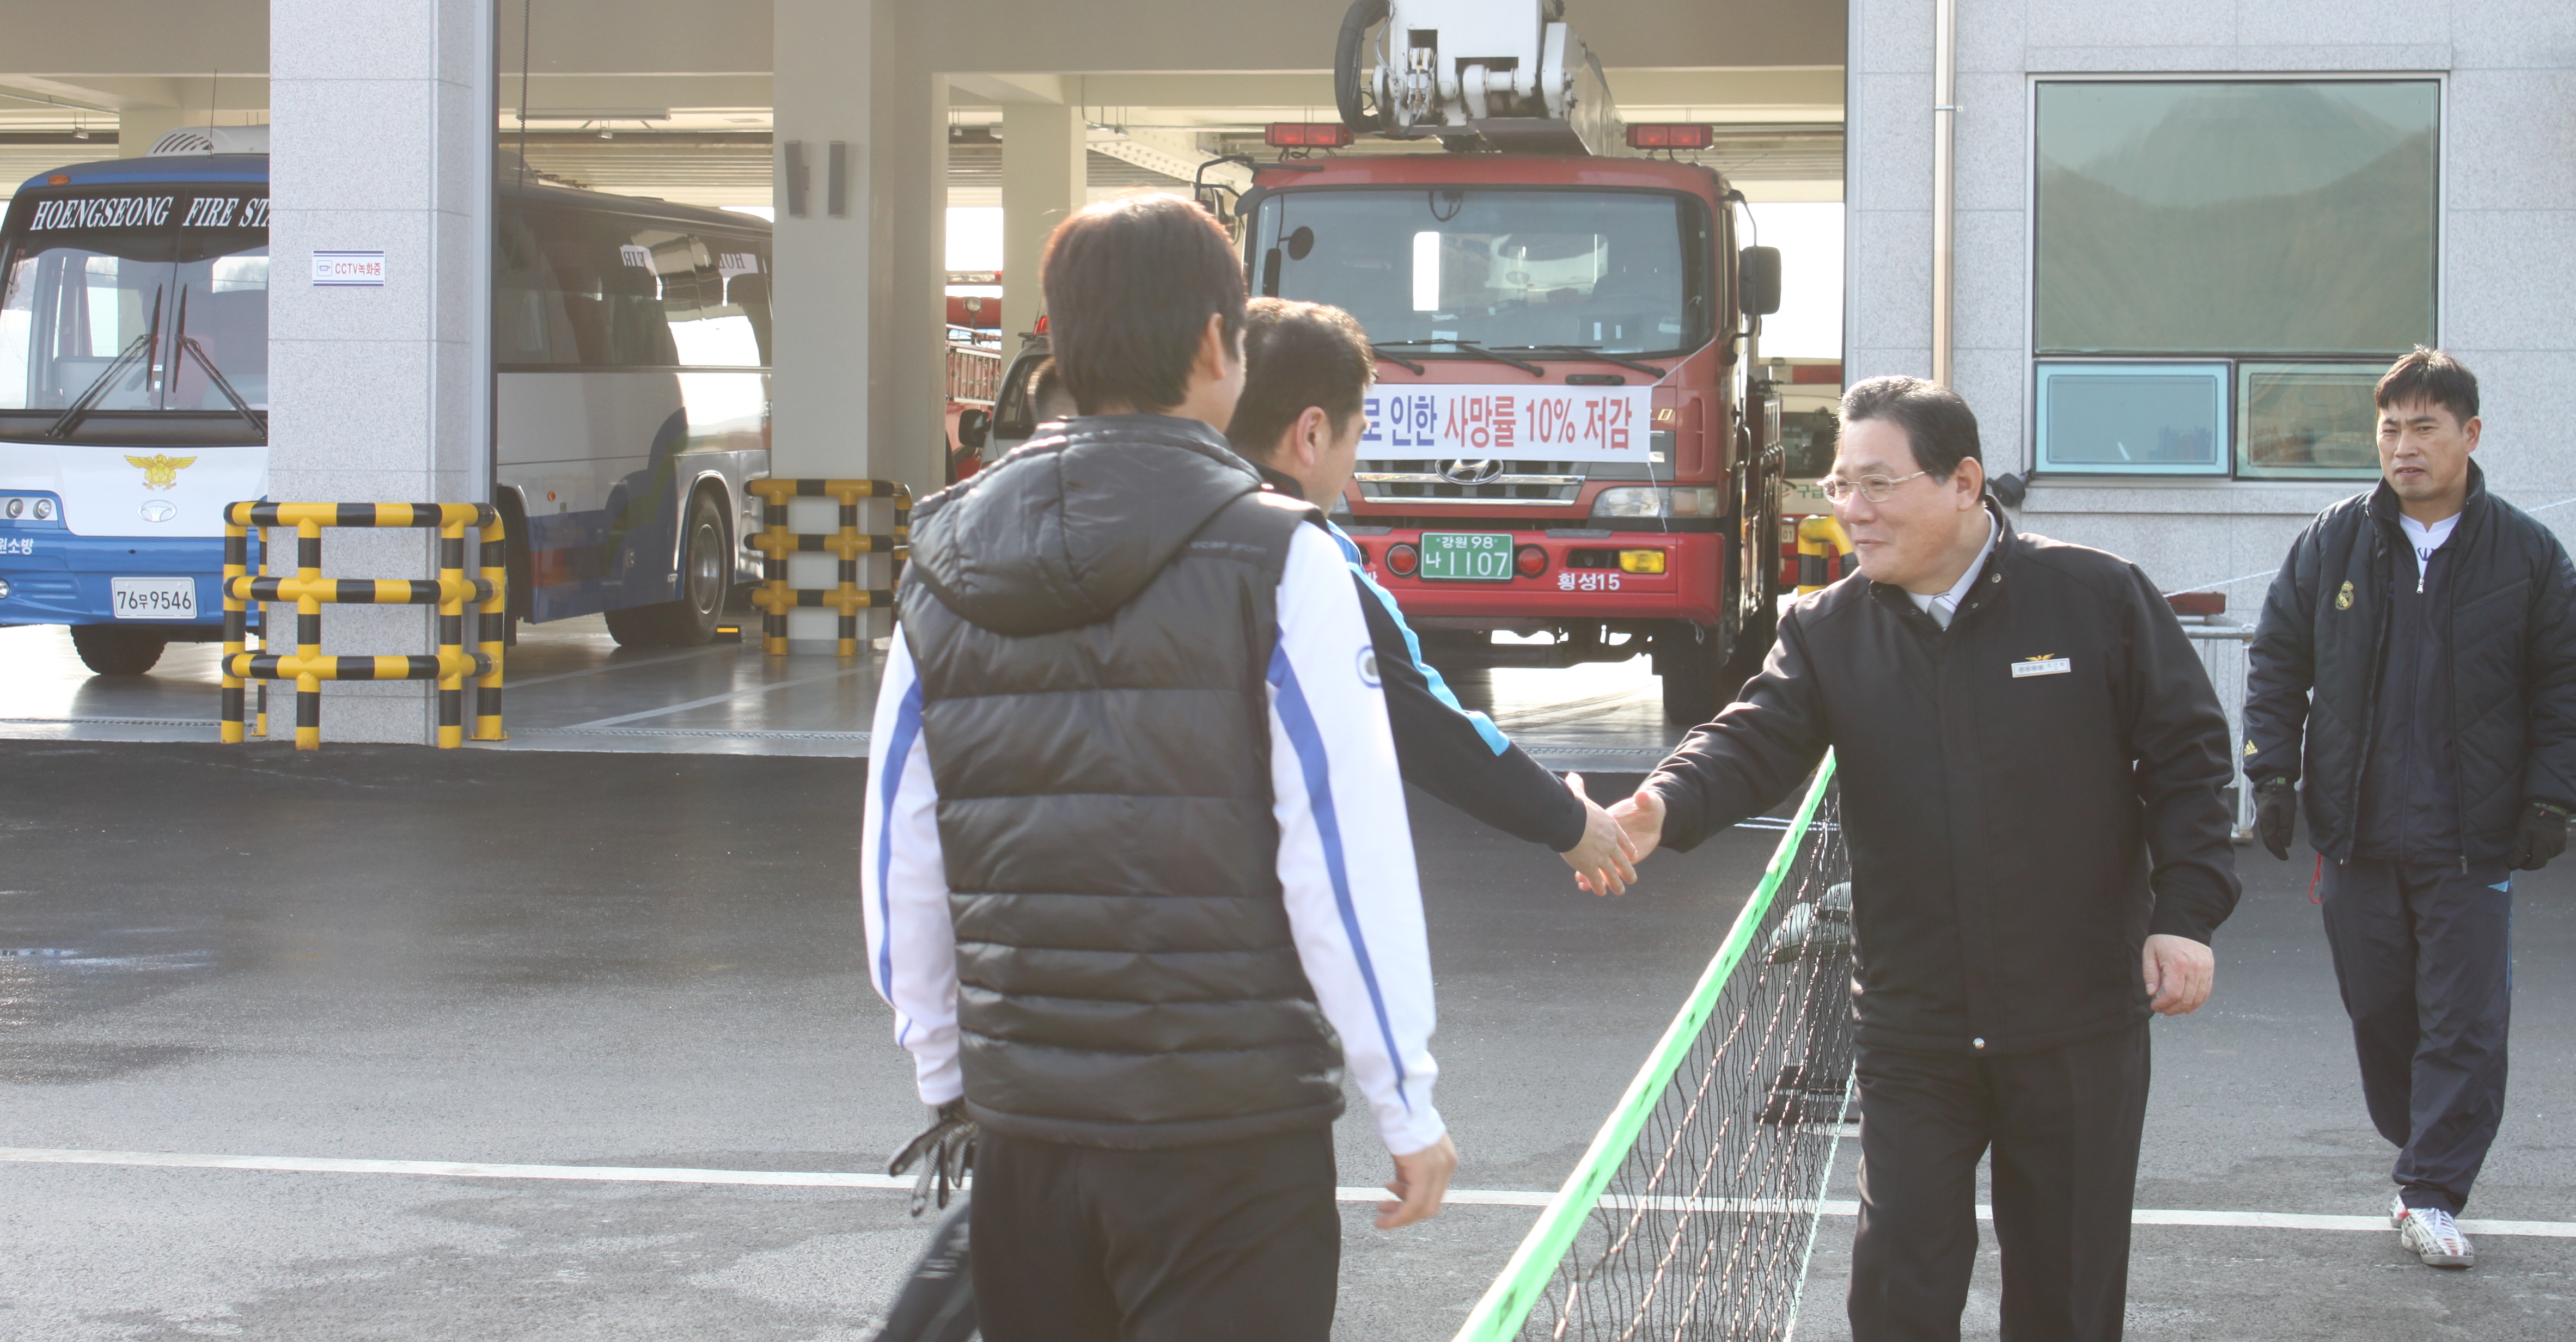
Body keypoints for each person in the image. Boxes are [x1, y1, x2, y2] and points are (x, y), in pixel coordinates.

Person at [863, 193, 1454, 1342]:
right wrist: (1404, 1096)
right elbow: (1342, 854)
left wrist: (949, 1076)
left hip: (1026, 1136)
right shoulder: (1281, 553)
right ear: (1216, 345)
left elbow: (902, 853)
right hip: (1229, 1138)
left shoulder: (942, 550)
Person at [1609, 376, 2239, 1342]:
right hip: (1914, 1028)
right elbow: (1750, 739)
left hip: (2076, 1019)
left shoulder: (2096, 596)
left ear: (1963, 483)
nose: (1851, 509)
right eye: (1839, 485)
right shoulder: (1827, 628)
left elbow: (2189, 763)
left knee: (2067, 1297)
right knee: (1898, 1289)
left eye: (1876, 483)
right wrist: (1661, 804)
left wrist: (2185, 917)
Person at [2244, 347, 2576, 1269]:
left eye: (2424, 427)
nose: (2404, 446)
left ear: (2469, 435)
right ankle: (2422, 1144)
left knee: (2464, 1020)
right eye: (2390, 428)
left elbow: (2567, 683)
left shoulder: (2525, 553)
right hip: (2356, 835)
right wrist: (2270, 775)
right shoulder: (2333, 542)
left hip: (2472, 839)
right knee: (2380, 1011)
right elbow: (2277, 660)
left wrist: (2553, 795)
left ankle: (2431, 1187)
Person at [1225, 297, 1637, 894]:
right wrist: (1569, 821)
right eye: (1358, 436)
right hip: (1238, 894)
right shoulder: (1310, 563)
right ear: (1312, 433)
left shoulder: (1129, 513)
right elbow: (1426, 722)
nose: (1354, 461)